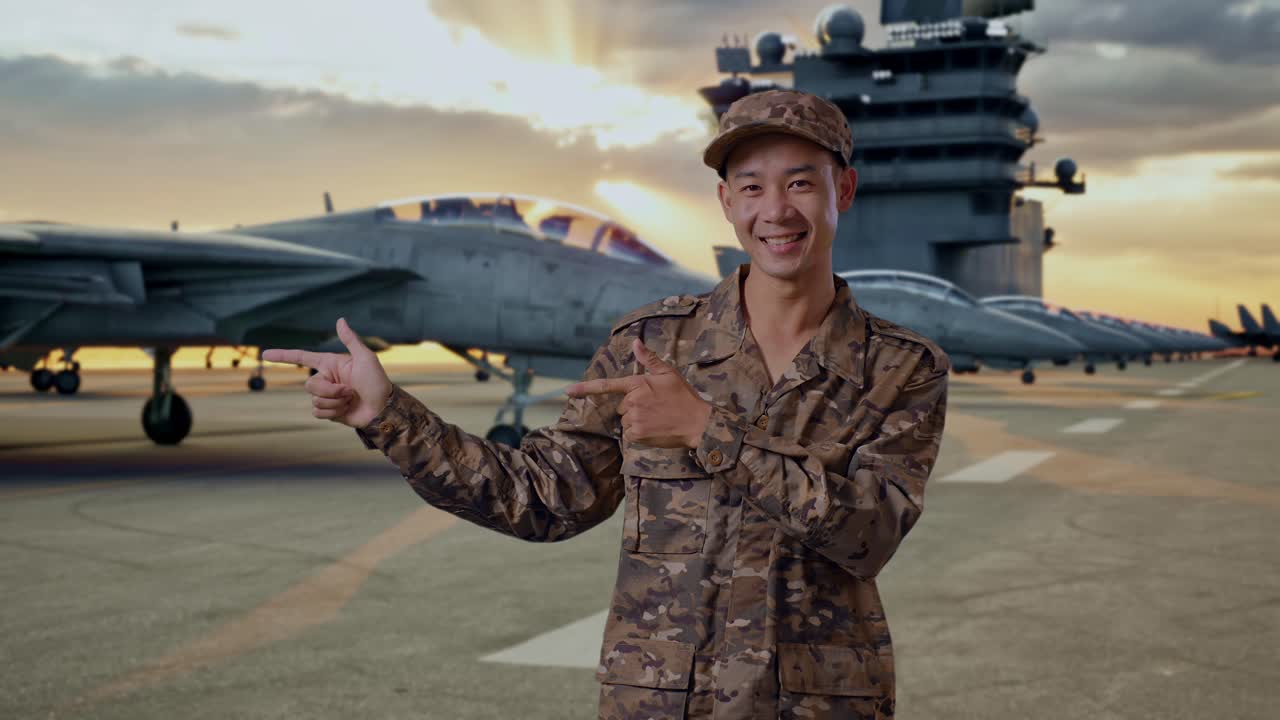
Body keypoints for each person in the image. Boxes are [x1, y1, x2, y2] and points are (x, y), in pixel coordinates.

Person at [264, 88, 949, 720]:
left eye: (801, 182)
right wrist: (389, 415)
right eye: (752, 187)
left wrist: (708, 430)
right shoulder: (648, 343)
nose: (777, 210)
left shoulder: (901, 368)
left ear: (844, 190)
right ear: (726, 203)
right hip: (658, 700)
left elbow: (869, 536)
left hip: (821, 706)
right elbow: (541, 499)